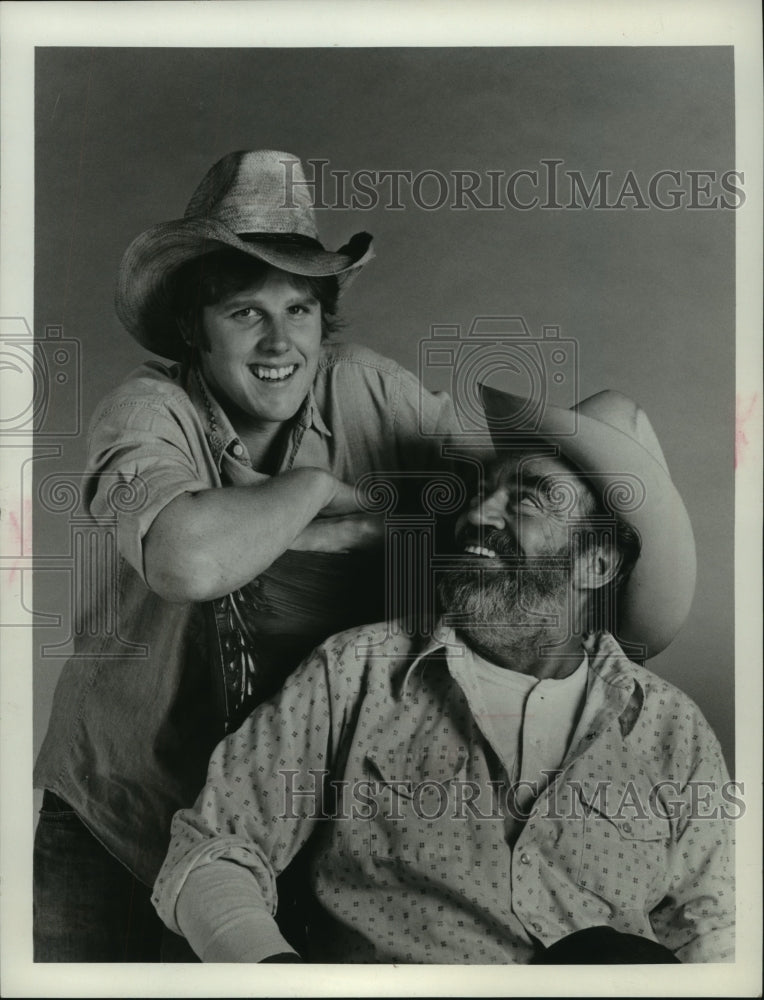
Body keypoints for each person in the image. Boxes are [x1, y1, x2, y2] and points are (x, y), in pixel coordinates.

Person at [33, 149, 459, 961]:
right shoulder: (145, 411)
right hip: (120, 806)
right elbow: (188, 563)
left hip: (272, 813)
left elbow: (508, 491)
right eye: (244, 312)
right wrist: (311, 489)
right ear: (194, 327)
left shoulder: (369, 390)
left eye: (300, 310)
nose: (279, 341)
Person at [152, 385, 735, 964]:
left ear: (595, 562)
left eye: (526, 502)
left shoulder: (670, 729)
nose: (478, 515)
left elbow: (712, 933)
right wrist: (277, 980)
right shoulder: (357, 673)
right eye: (483, 494)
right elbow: (215, 849)